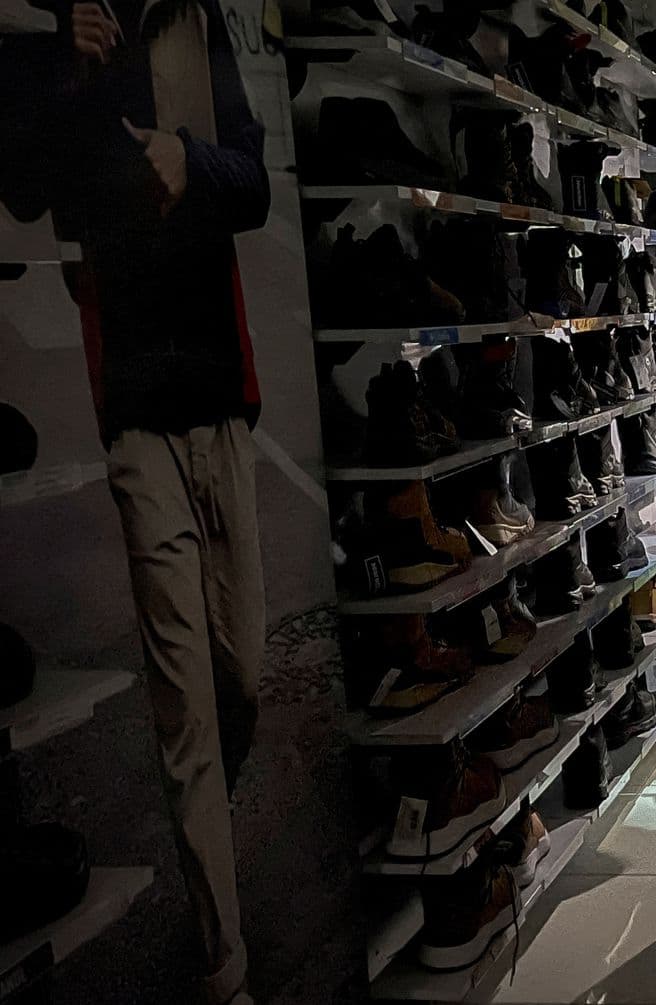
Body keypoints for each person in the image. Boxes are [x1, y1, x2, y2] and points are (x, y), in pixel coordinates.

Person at [1, 2, 269, 1001]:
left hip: (223, 395)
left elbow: (254, 185)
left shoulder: (196, 21)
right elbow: (24, 188)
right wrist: (61, 74)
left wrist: (188, 161)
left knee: (243, 672)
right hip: (136, 407)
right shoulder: (58, 26)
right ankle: (224, 957)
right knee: (185, 702)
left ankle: (206, 822)